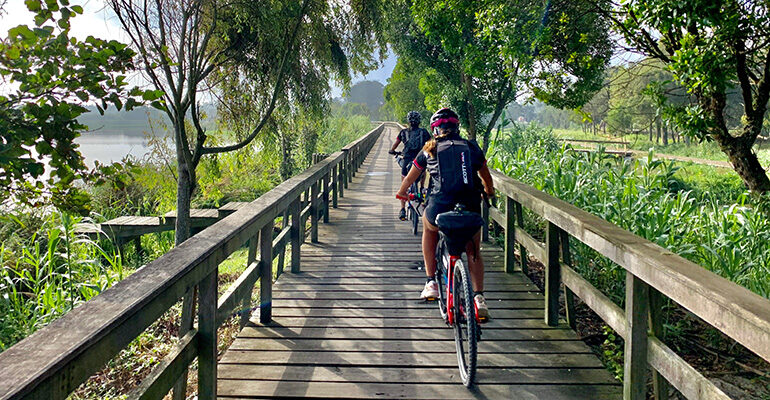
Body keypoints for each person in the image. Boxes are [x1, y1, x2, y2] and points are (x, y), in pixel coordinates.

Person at [396, 108, 495, 321]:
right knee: (473, 249)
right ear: (457, 127)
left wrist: (402, 194)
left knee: (428, 228)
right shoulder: (471, 147)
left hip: (439, 207)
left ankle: (431, 282)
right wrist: (489, 192)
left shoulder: (428, 150)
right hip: (469, 206)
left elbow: (410, 178)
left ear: (435, 130)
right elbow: (486, 178)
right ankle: (479, 298)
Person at [389, 111, 431, 221]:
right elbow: (431, 143)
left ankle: (402, 210)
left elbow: (395, 144)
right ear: (419, 121)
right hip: (420, 159)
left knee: (404, 182)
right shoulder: (424, 132)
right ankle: (422, 188)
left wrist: (392, 151)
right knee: (423, 171)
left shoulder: (403, 132)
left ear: (408, 121)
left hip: (407, 159)